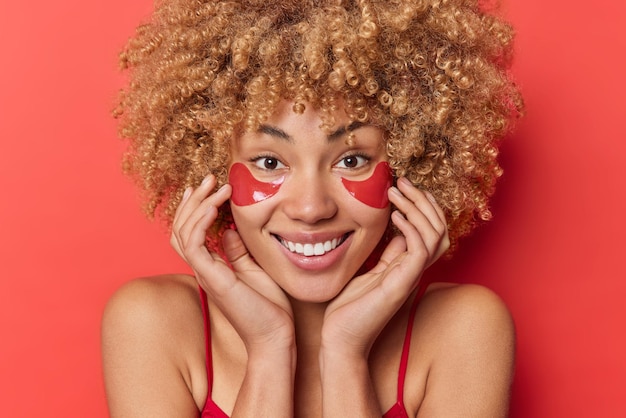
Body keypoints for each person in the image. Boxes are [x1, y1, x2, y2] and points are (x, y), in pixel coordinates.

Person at [102, 0, 523, 416]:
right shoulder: (152, 323)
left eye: (352, 160)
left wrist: (345, 353)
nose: (311, 208)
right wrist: (269, 349)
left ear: (410, 163)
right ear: (211, 169)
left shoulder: (465, 329)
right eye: (269, 163)